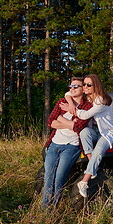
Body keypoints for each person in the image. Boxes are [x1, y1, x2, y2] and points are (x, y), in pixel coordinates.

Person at [60, 74, 113, 198]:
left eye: (88, 85)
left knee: (98, 150)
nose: (85, 87)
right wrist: (71, 103)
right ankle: (92, 161)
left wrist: (72, 109)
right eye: (84, 84)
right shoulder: (89, 98)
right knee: (84, 132)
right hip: (95, 132)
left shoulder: (101, 100)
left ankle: (84, 181)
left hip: (107, 133)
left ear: (95, 86)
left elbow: (85, 115)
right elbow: (68, 93)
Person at [42, 77, 93, 207]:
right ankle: (45, 209)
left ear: (83, 89)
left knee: (59, 178)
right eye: (71, 86)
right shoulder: (62, 102)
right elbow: (50, 122)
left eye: (76, 86)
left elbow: (79, 127)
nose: (72, 88)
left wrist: (60, 119)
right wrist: (70, 123)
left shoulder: (88, 106)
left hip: (71, 146)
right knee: (48, 177)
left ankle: (54, 207)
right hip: (54, 144)